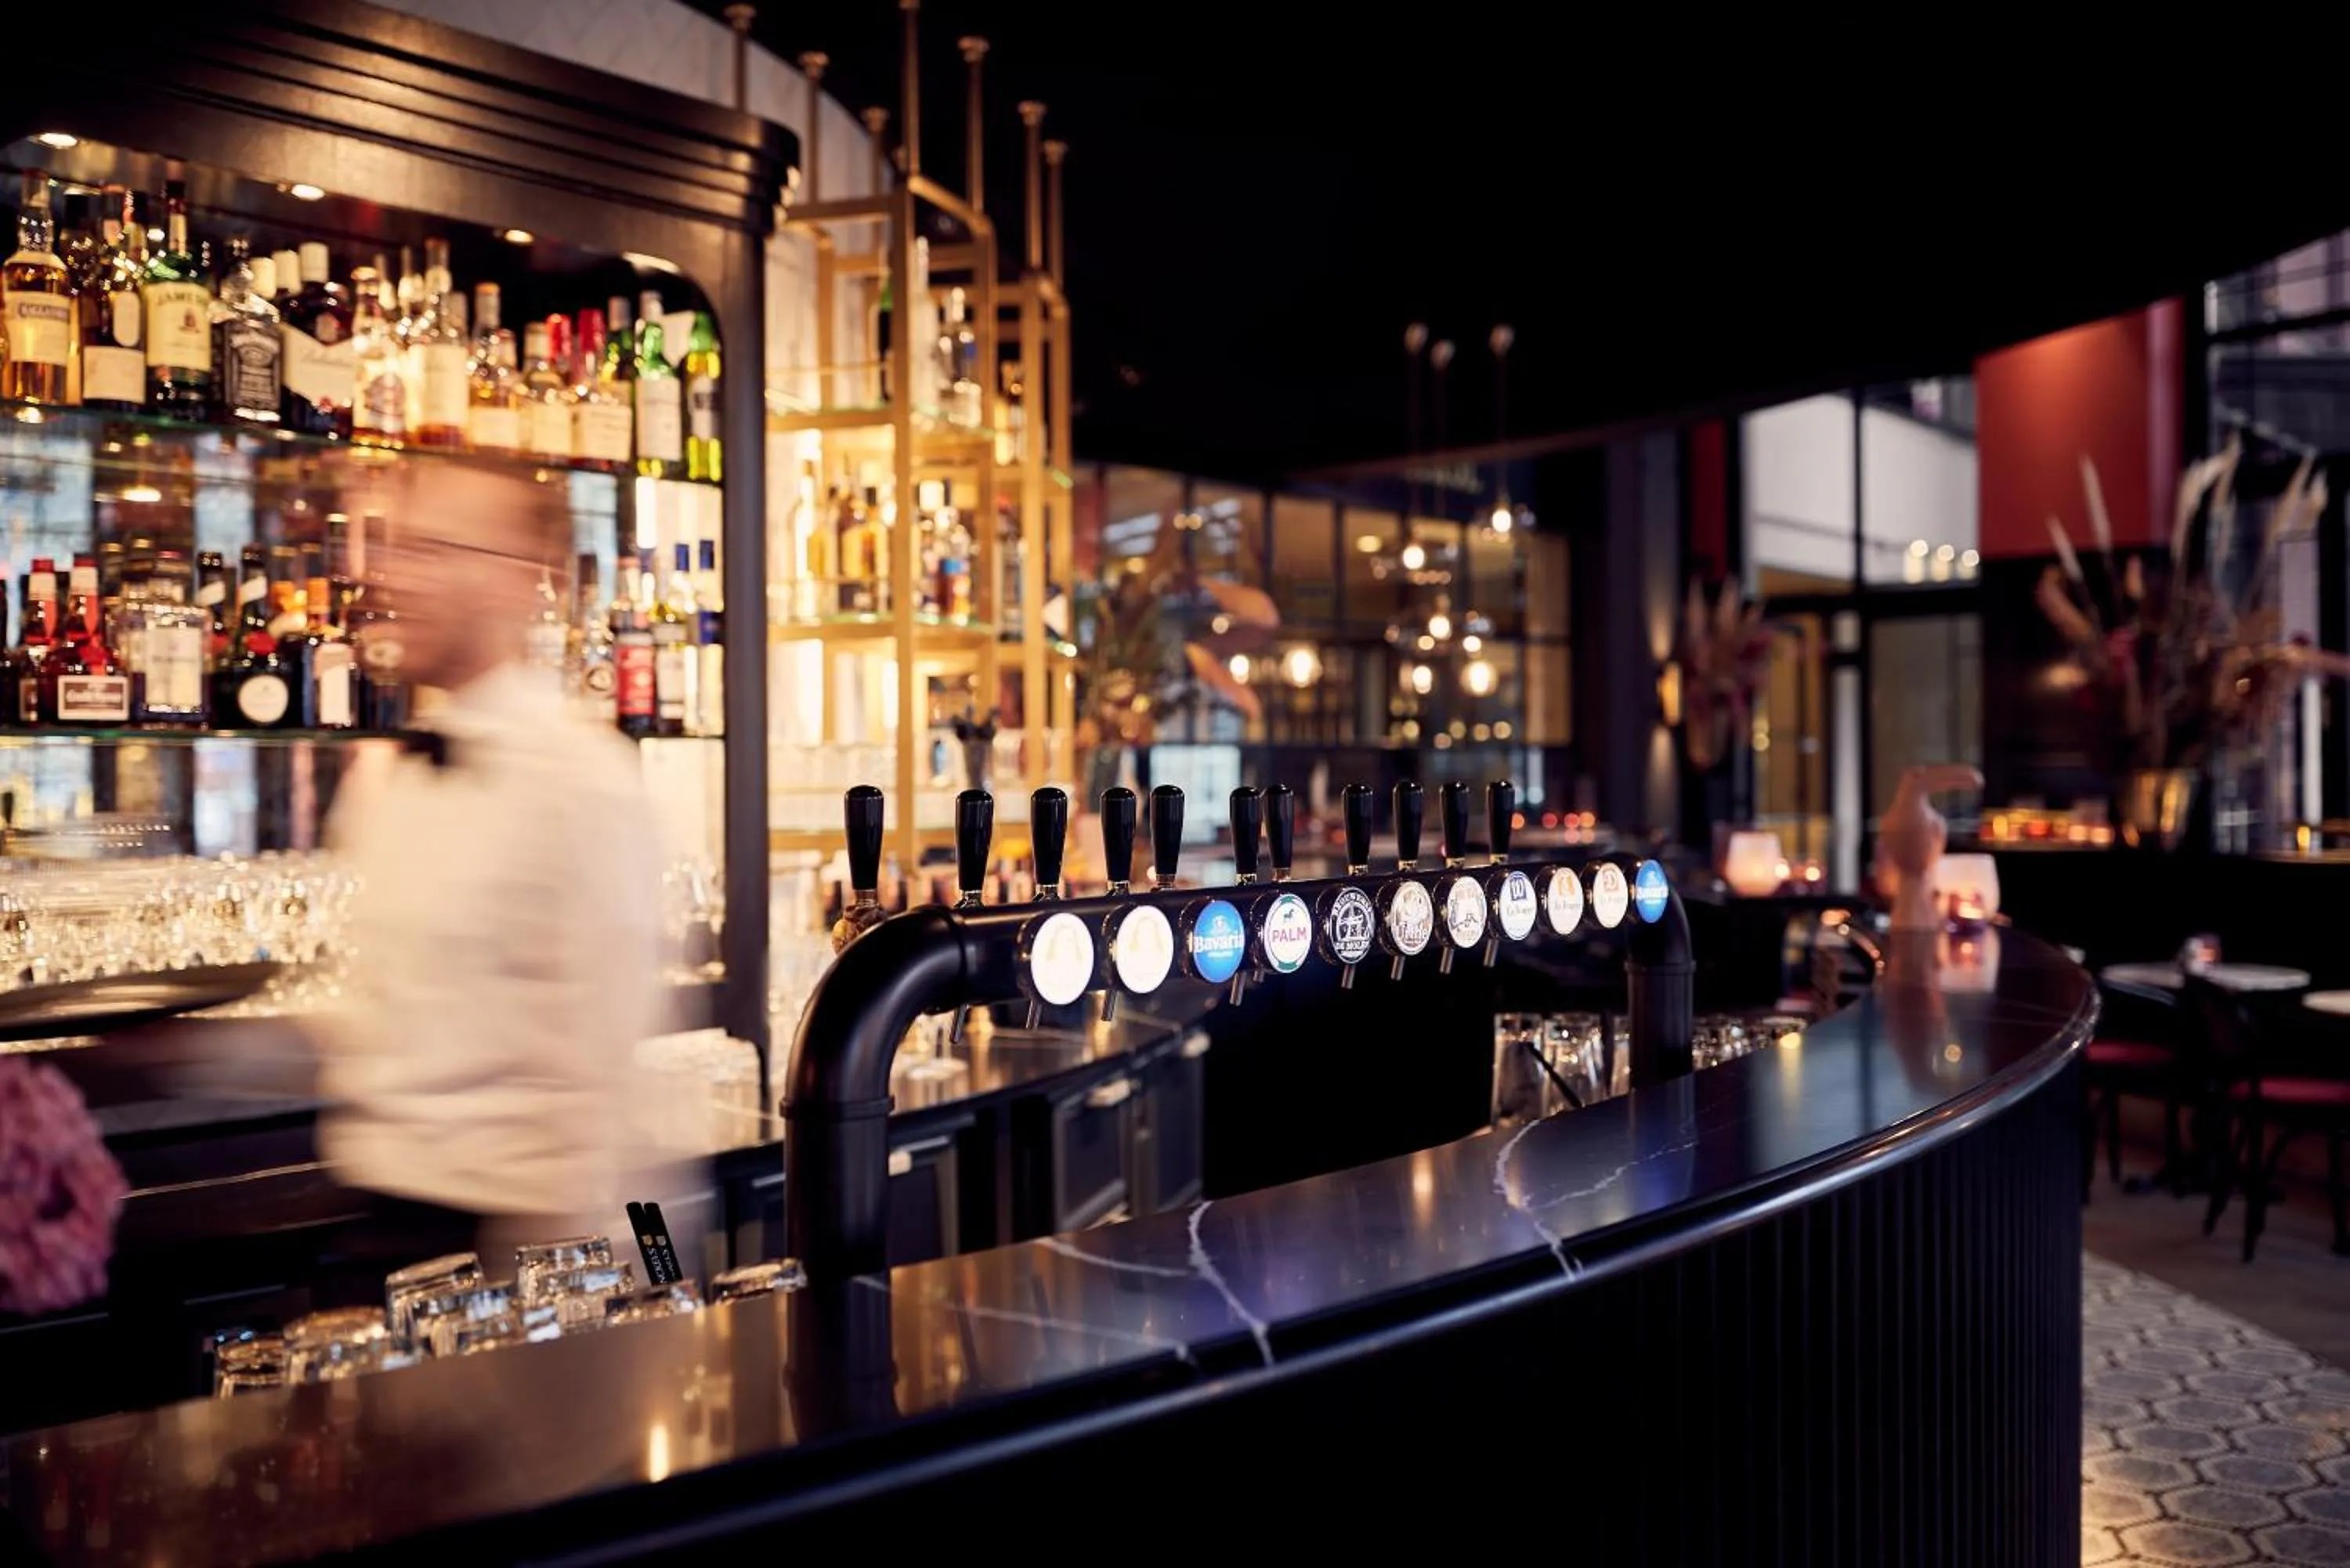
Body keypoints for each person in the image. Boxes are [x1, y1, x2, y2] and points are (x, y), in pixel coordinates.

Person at [317, 457, 665, 1274]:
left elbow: (604, 1080)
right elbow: (371, 1016)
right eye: (396, 546)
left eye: (434, 549)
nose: (394, 574)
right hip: (378, 1224)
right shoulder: (384, 776)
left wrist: (626, 1279)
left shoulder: (584, 783)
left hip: (511, 1247)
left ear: (521, 580)